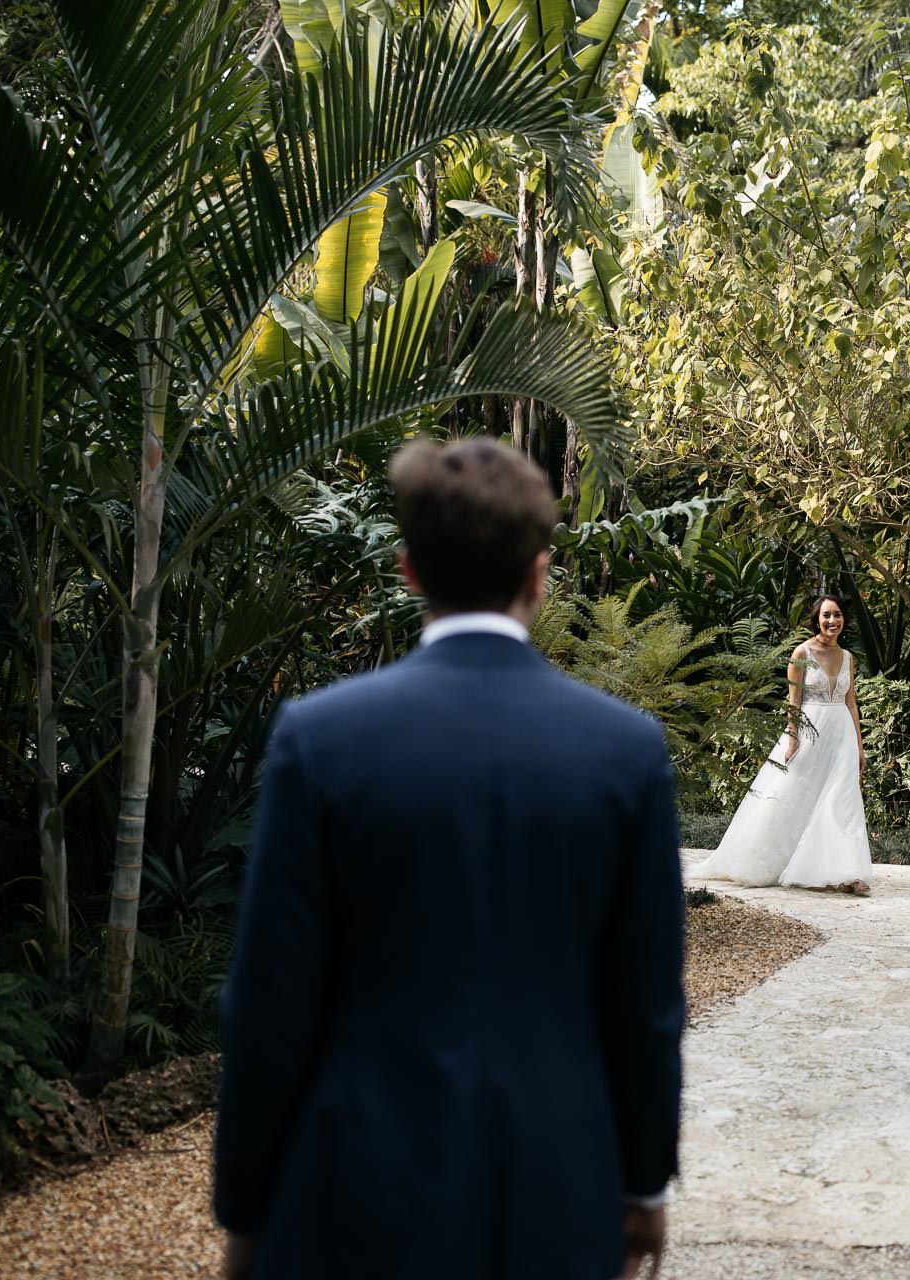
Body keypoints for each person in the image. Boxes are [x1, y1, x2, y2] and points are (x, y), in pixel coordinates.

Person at [213, 439, 684, 1280]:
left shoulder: (320, 740)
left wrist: (245, 1209)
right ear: (540, 574)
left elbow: (268, 1004)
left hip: (358, 1187)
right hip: (558, 1187)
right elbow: (645, 1005)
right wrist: (643, 1184)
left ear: (408, 570)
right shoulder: (624, 752)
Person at [690, 593, 874, 895]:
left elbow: (851, 704)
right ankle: (771, 859)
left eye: (837, 615)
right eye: (826, 615)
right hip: (810, 732)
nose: (832, 621)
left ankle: (848, 873)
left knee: (841, 800)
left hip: (842, 735)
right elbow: (794, 702)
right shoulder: (801, 653)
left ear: (844, 620)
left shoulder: (848, 658)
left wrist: (860, 745)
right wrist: (792, 738)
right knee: (793, 794)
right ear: (816, 619)